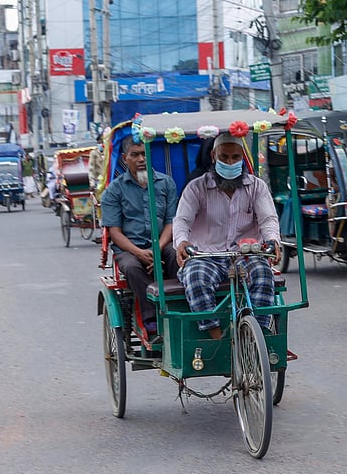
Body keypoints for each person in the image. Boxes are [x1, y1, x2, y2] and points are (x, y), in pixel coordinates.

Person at [174, 132, 281, 339]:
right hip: (206, 255)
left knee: (264, 273)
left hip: (245, 254)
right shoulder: (196, 188)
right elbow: (182, 221)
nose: (230, 163)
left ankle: (255, 338)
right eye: (224, 158)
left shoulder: (257, 187)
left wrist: (272, 240)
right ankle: (216, 336)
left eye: (235, 158)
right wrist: (182, 241)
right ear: (214, 157)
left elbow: (268, 219)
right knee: (196, 278)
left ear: (243, 158)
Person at [101, 136, 180, 334]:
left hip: (162, 243)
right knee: (131, 267)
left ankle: (179, 307)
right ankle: (151, 317)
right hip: (130, 247)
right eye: (135, 155)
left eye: (144, 154)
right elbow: (115, 232)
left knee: (177, 257)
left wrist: (157, 248)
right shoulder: (114, 190)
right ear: (125, 158)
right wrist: (139, 252)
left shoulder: (166, 183)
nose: (141, 159)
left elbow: (171, 222)